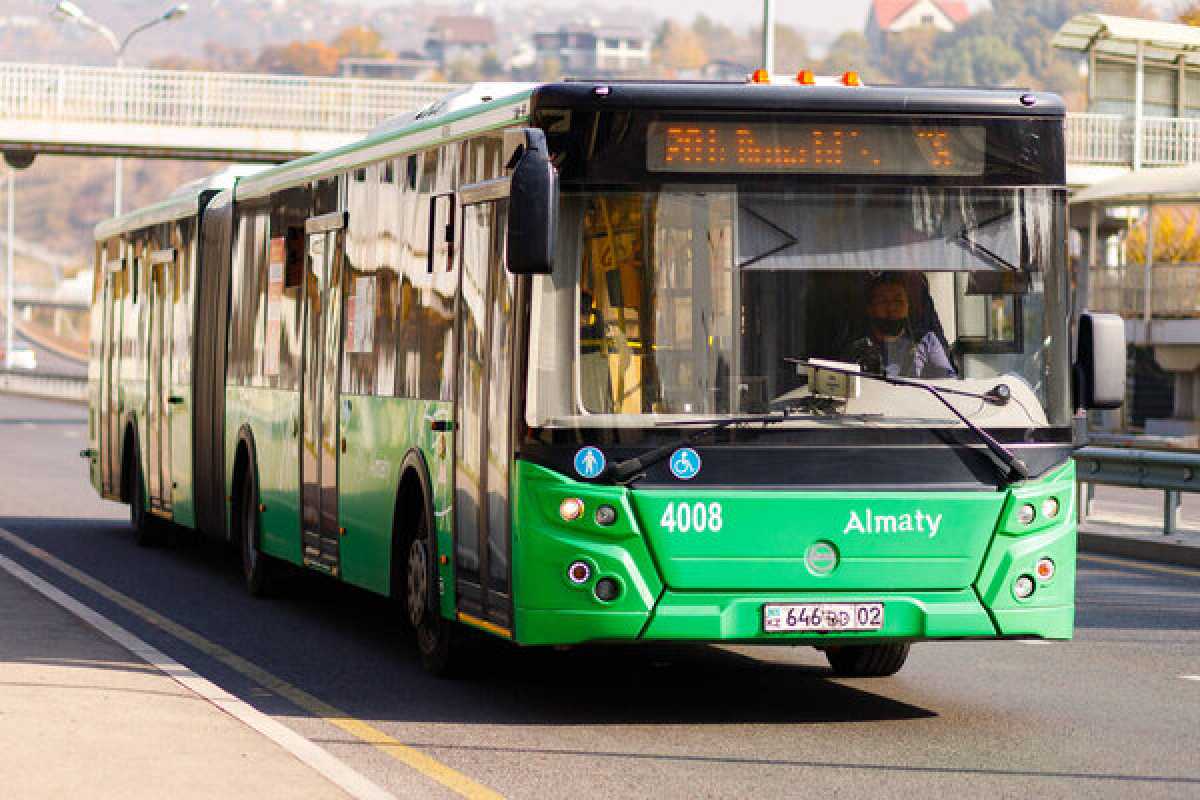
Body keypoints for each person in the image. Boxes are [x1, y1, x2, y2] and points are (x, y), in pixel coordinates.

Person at [842, 273, 956, 379]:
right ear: (870, 308)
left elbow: (947, 383)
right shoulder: (857, 348)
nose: (891, 308)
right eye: (883, 301)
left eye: (898, 301)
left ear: (907, 307)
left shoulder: (927, 342)